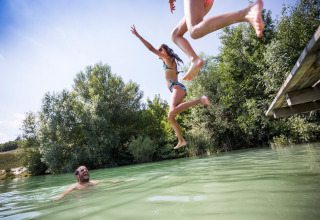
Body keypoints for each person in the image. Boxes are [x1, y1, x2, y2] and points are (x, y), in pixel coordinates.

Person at [131, 25, 210, 150]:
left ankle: (200, 100)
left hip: (177, 88)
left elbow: (151, 48)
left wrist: (138, 36)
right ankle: (181, 140)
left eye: (160, 50)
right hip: (176, 89)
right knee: (171, 117)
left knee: (172, 112)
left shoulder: (168, 58)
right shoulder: (167, 60)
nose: (158, 53)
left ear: (164, 50)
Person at [169, 0, 264, 81]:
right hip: (207, 3)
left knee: (194, 30)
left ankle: (245, 14)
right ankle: (194, 59)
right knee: (175, 35)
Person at [52, 166, 134, 201]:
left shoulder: (95, 182)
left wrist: (127, 181)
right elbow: (62, 195)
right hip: (82, 199)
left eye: (86, 169)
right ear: (77, 177)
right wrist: (55, 200)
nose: (85, 170)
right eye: (82, 170)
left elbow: (112, 182)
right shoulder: (75, 187)